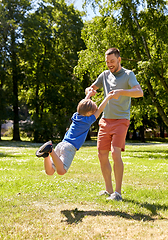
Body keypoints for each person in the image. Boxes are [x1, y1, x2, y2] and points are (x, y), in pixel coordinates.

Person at [85, 48, 143, 201]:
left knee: (115, 153)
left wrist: (121, 92)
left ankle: (117, 193)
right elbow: (90, 87)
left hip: (121, 120)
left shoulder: (128, 75)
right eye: (107, 62)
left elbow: (139, 92)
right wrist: (90, 91)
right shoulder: (104, 75)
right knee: (101, 155)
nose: (109, 64)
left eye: (112, 61)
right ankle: (108, 190)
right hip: (105, 120)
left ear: (119, 59)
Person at [35, 89, 114, 176]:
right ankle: (50, 150)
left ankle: (46, 155)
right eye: (92, 112)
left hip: (61, 144)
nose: (94, 113)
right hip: (70, 147)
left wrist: (89, 95)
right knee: (61, 171)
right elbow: (100, 110)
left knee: (50, 172)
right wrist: (107, 97)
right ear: (88, 113)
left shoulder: (76, 116)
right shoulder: (87, 120)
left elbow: (82, 106)